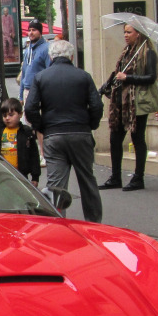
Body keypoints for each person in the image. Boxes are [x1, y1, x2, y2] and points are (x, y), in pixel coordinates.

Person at [24, 39, 103, 223]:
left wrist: (41, 126)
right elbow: (97, 105)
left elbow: (30, 108)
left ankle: (57, 223)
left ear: (50, 57)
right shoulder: (83, 76)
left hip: (53, 134)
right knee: (87, 181)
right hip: (80, 132)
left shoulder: (41, 77)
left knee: (55, 185)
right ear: (72, 56)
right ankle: (93, 222)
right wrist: (90, 124)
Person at [100, 24, 158, 192]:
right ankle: (115, 177)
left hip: (137, 102)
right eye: (124, 32)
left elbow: (151, 77)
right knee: (115, 138)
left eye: (129, 32)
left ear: (138, 34)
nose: (125, 35)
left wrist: (128, 77)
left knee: (137, 138)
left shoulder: (148, 53)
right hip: (121, 101)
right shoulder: (126, 53)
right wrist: (107, 85)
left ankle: (138, 177)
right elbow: (117, 74)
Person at [0, 97, 42, 186]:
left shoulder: (26, 132)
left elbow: (34, 155)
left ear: (20, 114)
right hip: (2, 174)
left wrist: (35, 177)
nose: (7, 118)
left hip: (21, 175)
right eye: (4, 115)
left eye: (11, 115)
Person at [19, 21, 50, 166]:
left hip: (39, 90)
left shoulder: (46, 48)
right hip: (27, 89)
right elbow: (24, 72)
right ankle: (36, 154)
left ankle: (44, 154)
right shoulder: (28, 50)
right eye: (29, 30)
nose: (30, 33)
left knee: (38, 124)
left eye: (34, 30)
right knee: (30, 124)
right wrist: (20, 95)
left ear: (40, 32)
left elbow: (49, 70)